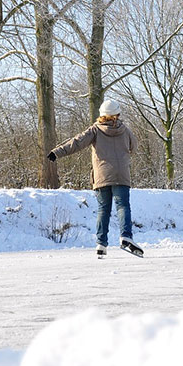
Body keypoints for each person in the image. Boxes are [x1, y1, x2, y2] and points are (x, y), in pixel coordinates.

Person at [47, 99, 141, 257]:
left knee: (103, 210)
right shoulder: (125, 130)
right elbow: (134, 147)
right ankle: (126, 237)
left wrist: (57, 152)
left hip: (102, 175)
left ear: (102, 114)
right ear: (117, 114)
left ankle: (101, 244)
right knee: (123, 206)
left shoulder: (95, 130)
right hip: (122, 174)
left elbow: (77, 142)